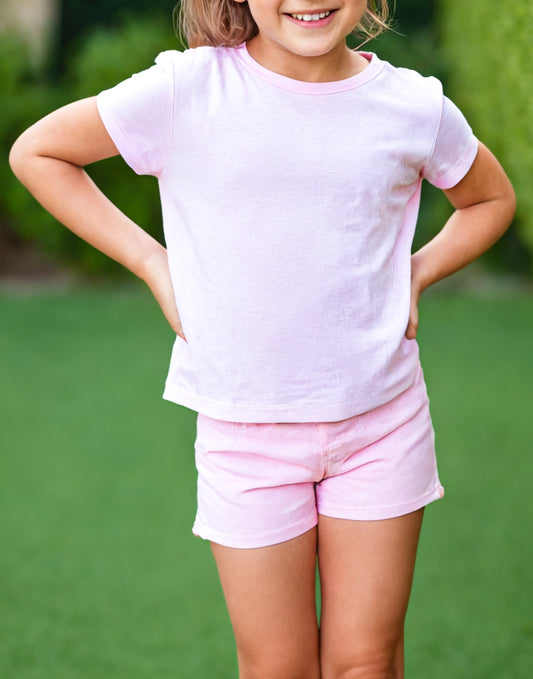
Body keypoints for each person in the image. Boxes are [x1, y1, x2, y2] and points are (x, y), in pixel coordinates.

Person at [9, 1, 515, 677]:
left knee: (364, 663)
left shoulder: (411, 108)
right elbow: (38, 152)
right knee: (278, 668)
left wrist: (414, 274)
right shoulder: (186, 92)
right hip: (244, 439)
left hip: (380, 426)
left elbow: (489, 199)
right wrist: (153, 263)